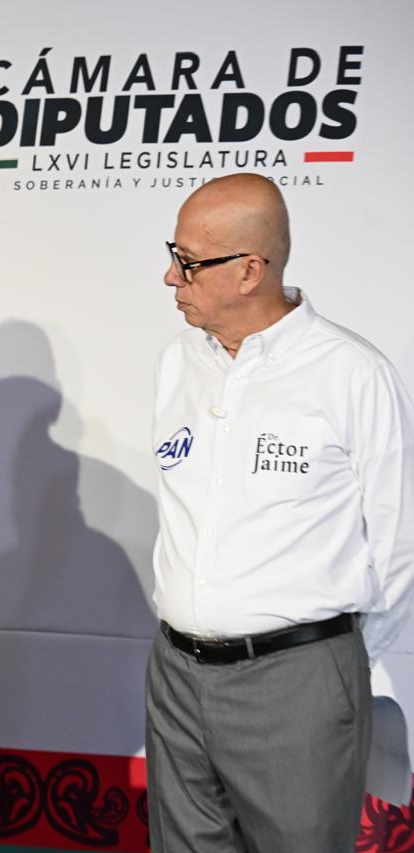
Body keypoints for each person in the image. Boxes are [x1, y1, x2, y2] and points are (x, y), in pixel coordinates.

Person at [149, 172, 414, 851]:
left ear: (250, 270)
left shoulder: (352, 373)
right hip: (175, 674)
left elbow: (400, 546)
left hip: (299, 683)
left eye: (188, 261)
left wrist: (331, 669)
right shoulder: (179, 362)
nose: (170, 276)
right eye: (174, 255)